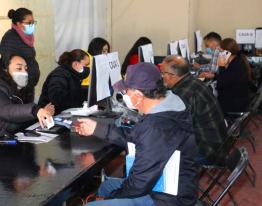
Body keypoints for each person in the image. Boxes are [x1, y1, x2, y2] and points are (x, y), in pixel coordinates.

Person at [75, 63, 198, 206]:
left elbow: (138, 185)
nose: (124, 94)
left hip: (166, 199)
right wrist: (98, 128)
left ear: (139, 95)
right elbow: (139, 137)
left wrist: (109, 199)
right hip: (164, 184)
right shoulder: (167, 105)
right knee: (105, 186)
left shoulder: (156, 126)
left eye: (126, 91)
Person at [160, 55, 228, 165]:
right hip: (218, 144)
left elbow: (174, 127)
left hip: (207, 151)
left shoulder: (183, 95)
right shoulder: (193, 82)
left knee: (158, 152)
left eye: (162, 73)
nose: (161, 76)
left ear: (171, 75)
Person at [0, 54, 54, 142]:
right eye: (19, 68)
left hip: (10, 140)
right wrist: (35, 110)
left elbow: (20, 115)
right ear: (5, 70)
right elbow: (6, 110)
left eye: (26, 69)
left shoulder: (19, 89)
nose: (24, 72)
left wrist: (41, 113)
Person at [0, 8, 39, 103]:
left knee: (29, 114)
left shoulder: (27, 37)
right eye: (29, 22)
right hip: (17, 88)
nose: (32, 25)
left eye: (33, 22)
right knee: (21, 114)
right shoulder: (10, 37)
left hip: (28, 86)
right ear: (18, 23)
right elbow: (7, 62)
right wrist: (18, 83)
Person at [38, 49, 90, 114]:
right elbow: (57, 97)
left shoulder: (73, 74)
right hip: (50, 116)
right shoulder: (59, 74)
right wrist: (83, 95)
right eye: (86, 65)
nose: (88, 68)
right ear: (75, 64)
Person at [216, 38, 251, 113]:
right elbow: (228, 78)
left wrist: (221, 66)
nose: (219, 54)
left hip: (234, 104)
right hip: (239, 99)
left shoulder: (236, 66)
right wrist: (216, 75)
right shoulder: (237, 60)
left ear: (227, 53)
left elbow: (220, 85)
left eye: (221, 51)